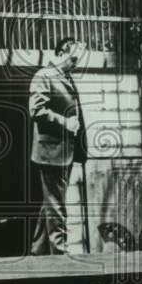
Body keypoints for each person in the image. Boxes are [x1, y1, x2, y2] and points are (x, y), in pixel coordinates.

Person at [29, 36, 88, 255]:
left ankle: (38, 252)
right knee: (56, 205)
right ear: (62, 53)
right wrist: (66, 123)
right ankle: (60, 255)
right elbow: (36, 111)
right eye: (73, 58)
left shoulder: (65, 76)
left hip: (62, 151)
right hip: (51, 152)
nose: (76, 64)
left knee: (50, 204)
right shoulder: (44, 76)